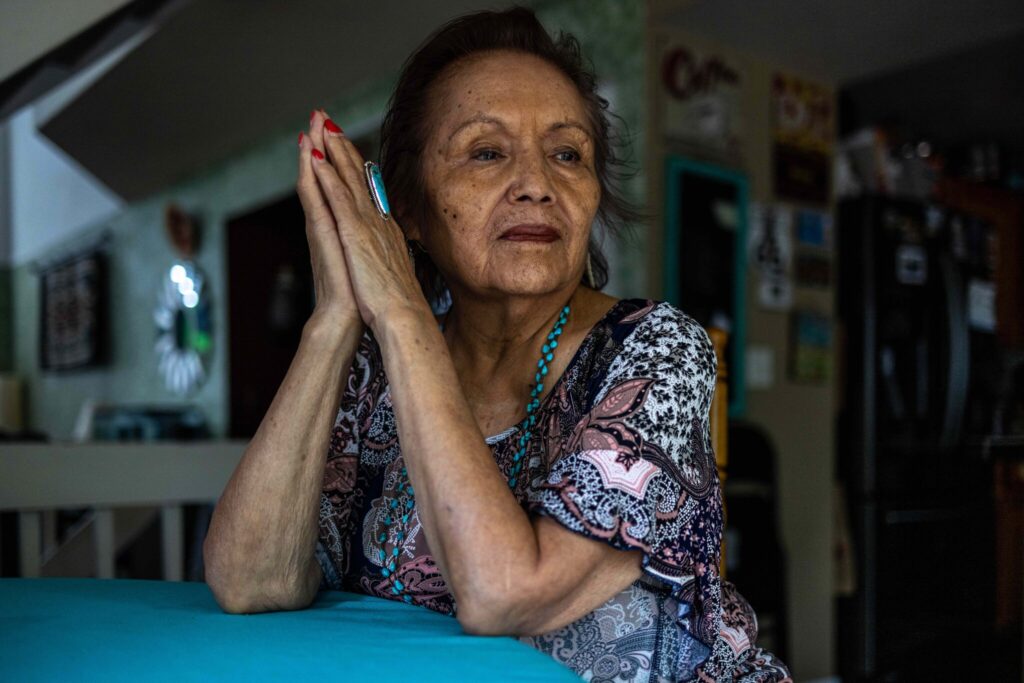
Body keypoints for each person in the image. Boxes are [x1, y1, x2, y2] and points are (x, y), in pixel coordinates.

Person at [203, 8, 791, 682]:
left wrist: (398, 308)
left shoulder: (655, 350)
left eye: (567, 154)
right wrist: (335, 318)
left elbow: (504, 592)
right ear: (412, 213)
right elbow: (251, 579)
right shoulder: (375, 371)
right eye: (487, 151)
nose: (538, 183)